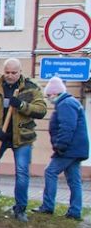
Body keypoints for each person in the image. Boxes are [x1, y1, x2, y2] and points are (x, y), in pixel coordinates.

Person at [0, 58, 47, 222]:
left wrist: (22, 105)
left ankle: (20, 208)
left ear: (20, 72)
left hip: (22, 138)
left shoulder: (31, 88)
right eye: (7, 72)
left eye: (13, 73)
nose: (10, 76)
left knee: (22, 173)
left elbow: (41, 109)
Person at [33, 77, 87, 220]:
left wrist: (60, 146)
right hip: (76, 149)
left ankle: (47, 206)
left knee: (50, 172)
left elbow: (67, 127)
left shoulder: (66, 104)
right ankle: (75, 212)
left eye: (49, 95)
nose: (48, 98)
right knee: (74, 180)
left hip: (68, 149)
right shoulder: (70, 102)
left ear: (55, 93)